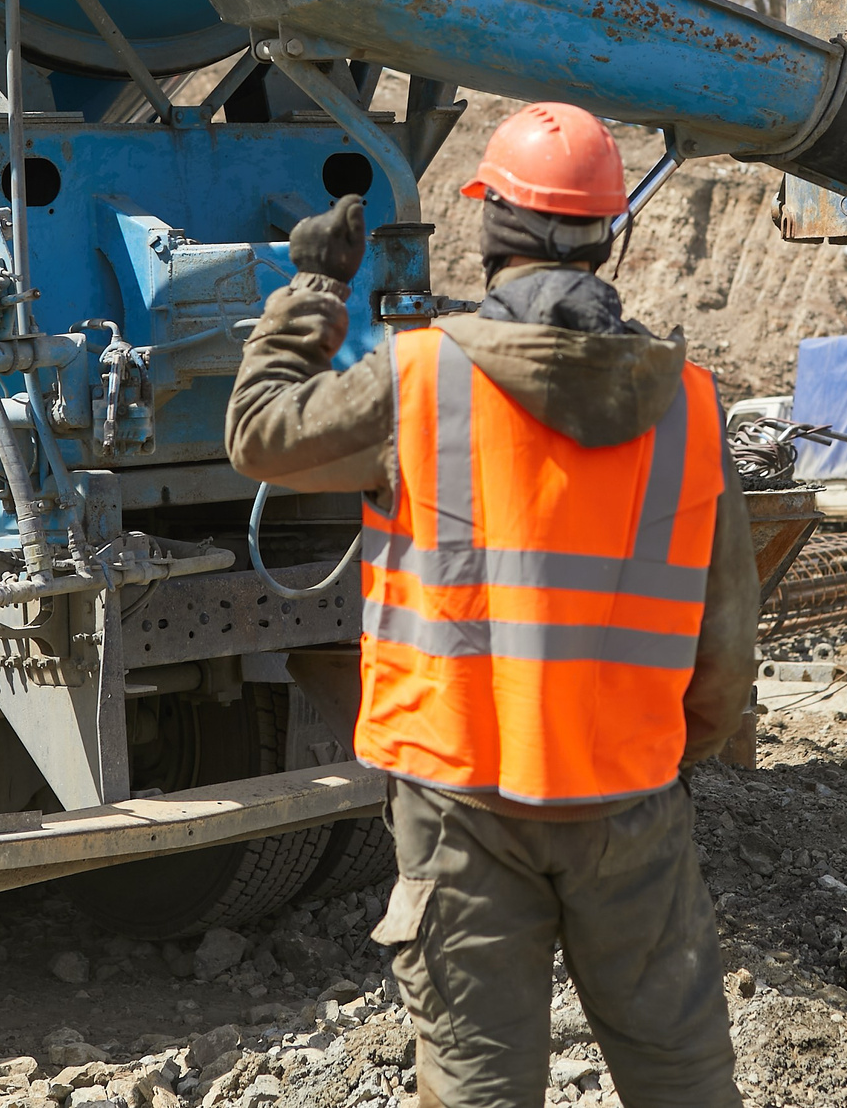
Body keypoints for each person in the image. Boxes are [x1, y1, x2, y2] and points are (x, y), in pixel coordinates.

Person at [227, 100, 755, 1108]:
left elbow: (258, 435)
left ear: (488, 222)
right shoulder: (689, 403)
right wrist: (661, 756)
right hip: (629, 801)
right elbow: (727, 644)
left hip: (459, 799)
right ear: (611, 235)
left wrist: (313, 290)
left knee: (478, 1090)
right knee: (684, 1083)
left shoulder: (417, 378)